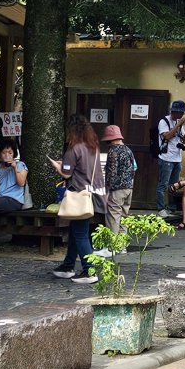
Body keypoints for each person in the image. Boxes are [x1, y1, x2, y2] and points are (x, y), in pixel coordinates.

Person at [50, 115, 102, 282]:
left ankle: (89, 270)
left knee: (80, 234)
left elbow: (67, 173)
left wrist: (57, 166)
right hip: (91, 193)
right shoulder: (92, 147)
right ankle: (68, 265)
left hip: (78, 193)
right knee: (76, 231)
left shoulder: (74, 148)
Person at [153, 101, 185, 213]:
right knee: (163, 184)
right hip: (166, 158)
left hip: (177, 158)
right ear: (174, 112)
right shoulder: (164, 121)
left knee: (174, 185)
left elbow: (184, 140)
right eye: (181, 113)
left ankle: (172, 208)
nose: (182, 115)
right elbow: (167, 136)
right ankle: (161, 209)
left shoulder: (180, 122)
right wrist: (178, 125)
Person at [102, 124, 137, 239]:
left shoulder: (113, 151)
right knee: (124, 216)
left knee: (113, 217)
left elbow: (112, 172)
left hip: (116, 189)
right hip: (129, 188)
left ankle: (112, 246)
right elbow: (134, 168)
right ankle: (122, 246)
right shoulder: (128, 150)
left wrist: (107, 190)